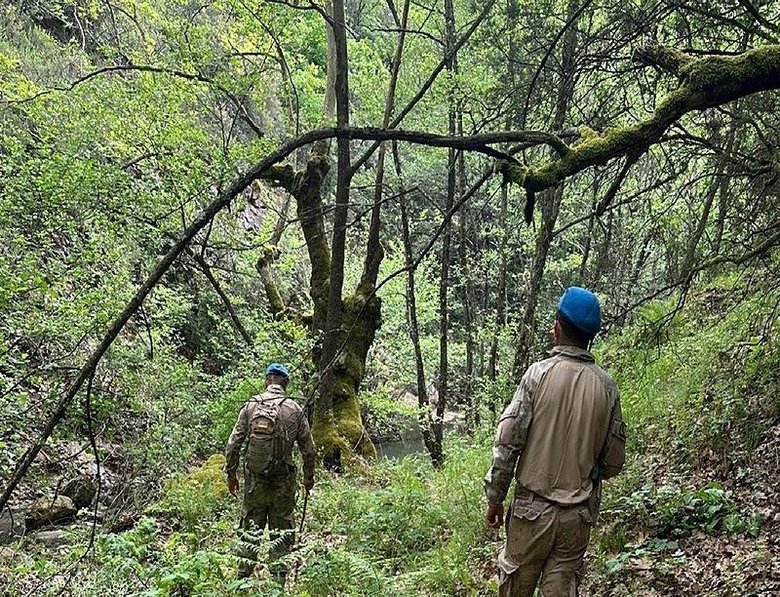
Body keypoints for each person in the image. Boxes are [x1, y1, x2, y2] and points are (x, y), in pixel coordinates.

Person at [484, 287, 626, 596]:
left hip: (530, 513)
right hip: (576, 518)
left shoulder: (536, 376)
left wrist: (495, 497)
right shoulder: (607, 387)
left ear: (557, 328)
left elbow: (508, 444)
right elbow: (613, 462)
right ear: (591, 337)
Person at [225, 363, 316, 583]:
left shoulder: (251, 406)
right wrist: (308, 478)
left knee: (250, 530)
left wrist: (231, 474)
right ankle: (278, 583)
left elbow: (233, 444)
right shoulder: (294, 409)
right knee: (282, 534)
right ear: (284, 383)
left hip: (254, 482)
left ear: (267, 380)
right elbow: (309, 449)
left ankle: (243, 581)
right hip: (282, 483)